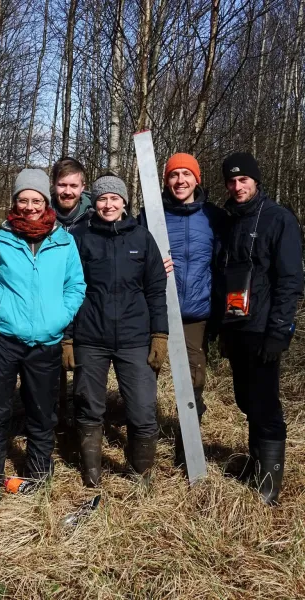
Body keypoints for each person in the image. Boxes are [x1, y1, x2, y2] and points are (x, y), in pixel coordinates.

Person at [0, 168, 86, 497]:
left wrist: (59, 317)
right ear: (15, 202)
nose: (30, 206)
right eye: (23, 200)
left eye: (36, 200)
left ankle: (38, 472)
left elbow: (76, 286)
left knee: (42, 411)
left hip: (46, 343)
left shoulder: (64, 241)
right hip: (3, 339)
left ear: (46, 202)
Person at [71, 175, 168, 487]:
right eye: (102, 199)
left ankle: (140, 475)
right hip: (90, 337)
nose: (108, 204)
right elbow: (70, 289)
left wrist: (160, 335)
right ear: (94, 203)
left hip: (134, 338)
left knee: (142, 410)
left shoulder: (142, 239)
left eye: (114, 198)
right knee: (89, 406)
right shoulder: (81, 239)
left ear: (124, 202)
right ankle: (92, 474)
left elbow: (156, 290)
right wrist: (68, 337)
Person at [218, 152, 303, 505]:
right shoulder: (228, 221)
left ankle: (268, 486)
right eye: (232, 181)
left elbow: (291, 279)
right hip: (235, 324)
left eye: (244, 180)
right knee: (245, 399)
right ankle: (255, 463)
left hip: (264, 327)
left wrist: (279, 331)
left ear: (255, 180)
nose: (238, 187)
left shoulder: (278, 219)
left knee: (265, 404)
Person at [139, 153, 226, 463]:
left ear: (196, 179)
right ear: (165, 181)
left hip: (196, 314)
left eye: (186, 175)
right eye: (174, 175)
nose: (180, 181)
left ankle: (186, 452)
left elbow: (223, 262)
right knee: (145, 377)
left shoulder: (214, 217)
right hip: (156, 311)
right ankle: (142, 451)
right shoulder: (151, 215)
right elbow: (135, 255)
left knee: (193, 383)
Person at [51, 158, 93, 424]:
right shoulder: (42, 215)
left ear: (83, 187)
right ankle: (57, 422)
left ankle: (81, 423)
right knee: (52, 372)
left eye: (73, 185)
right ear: (53, 186)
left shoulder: (96, 217)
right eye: (62, 184)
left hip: (87, 304)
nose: (67, 191)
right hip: (50, 303)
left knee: (84, 370)